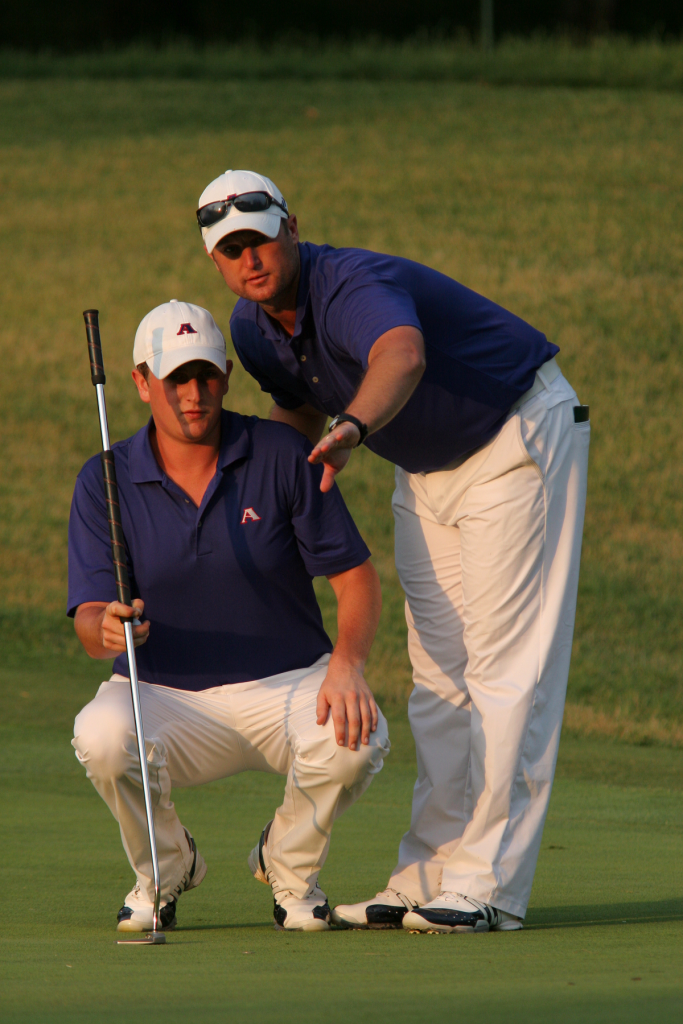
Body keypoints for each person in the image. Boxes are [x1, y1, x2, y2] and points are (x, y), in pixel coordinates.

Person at [197, 169, 590, 934]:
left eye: (261, 238)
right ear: (215, 259)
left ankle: (488, 890)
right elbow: (294, 415)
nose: (250, 259)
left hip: (515, 434)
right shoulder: (251, 329)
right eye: (230, 249)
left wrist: (351, 428)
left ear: (292, 228)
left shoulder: (348, 282)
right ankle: (427, 875)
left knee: (506, 670)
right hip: (427, 465)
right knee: (438, 675)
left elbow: (401, 355)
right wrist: (256, 498)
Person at [69, 299, 389, 934]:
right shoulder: (104, 479)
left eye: (207, 375)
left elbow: (357, 579)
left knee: (358, 736)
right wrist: (107, 626)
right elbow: (87, 620)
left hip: (288, 683)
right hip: (165, 694)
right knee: (101, 735)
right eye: (176, 379)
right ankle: (166, 869)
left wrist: (348, 665)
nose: (194, 394)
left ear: (225, 377)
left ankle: (288, 869)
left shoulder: (281, 454)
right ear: (141, 382)